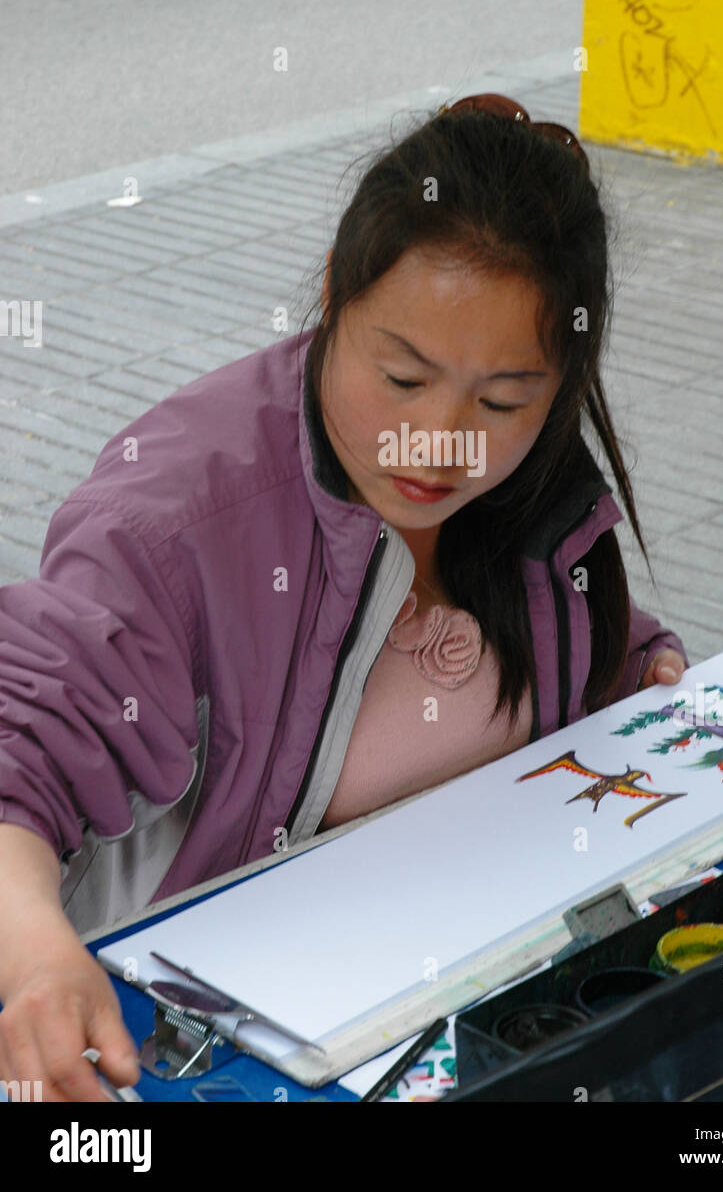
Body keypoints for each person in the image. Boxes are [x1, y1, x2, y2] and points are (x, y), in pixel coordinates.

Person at [0, 93, 687, 1102]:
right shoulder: (173, 521)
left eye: (502, 399)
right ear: (331, 295)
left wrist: (642, 668)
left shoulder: (535, 492)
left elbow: (579, 634)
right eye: (403, 377)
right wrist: (35, 960)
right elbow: (22, 753)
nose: (441, 441)